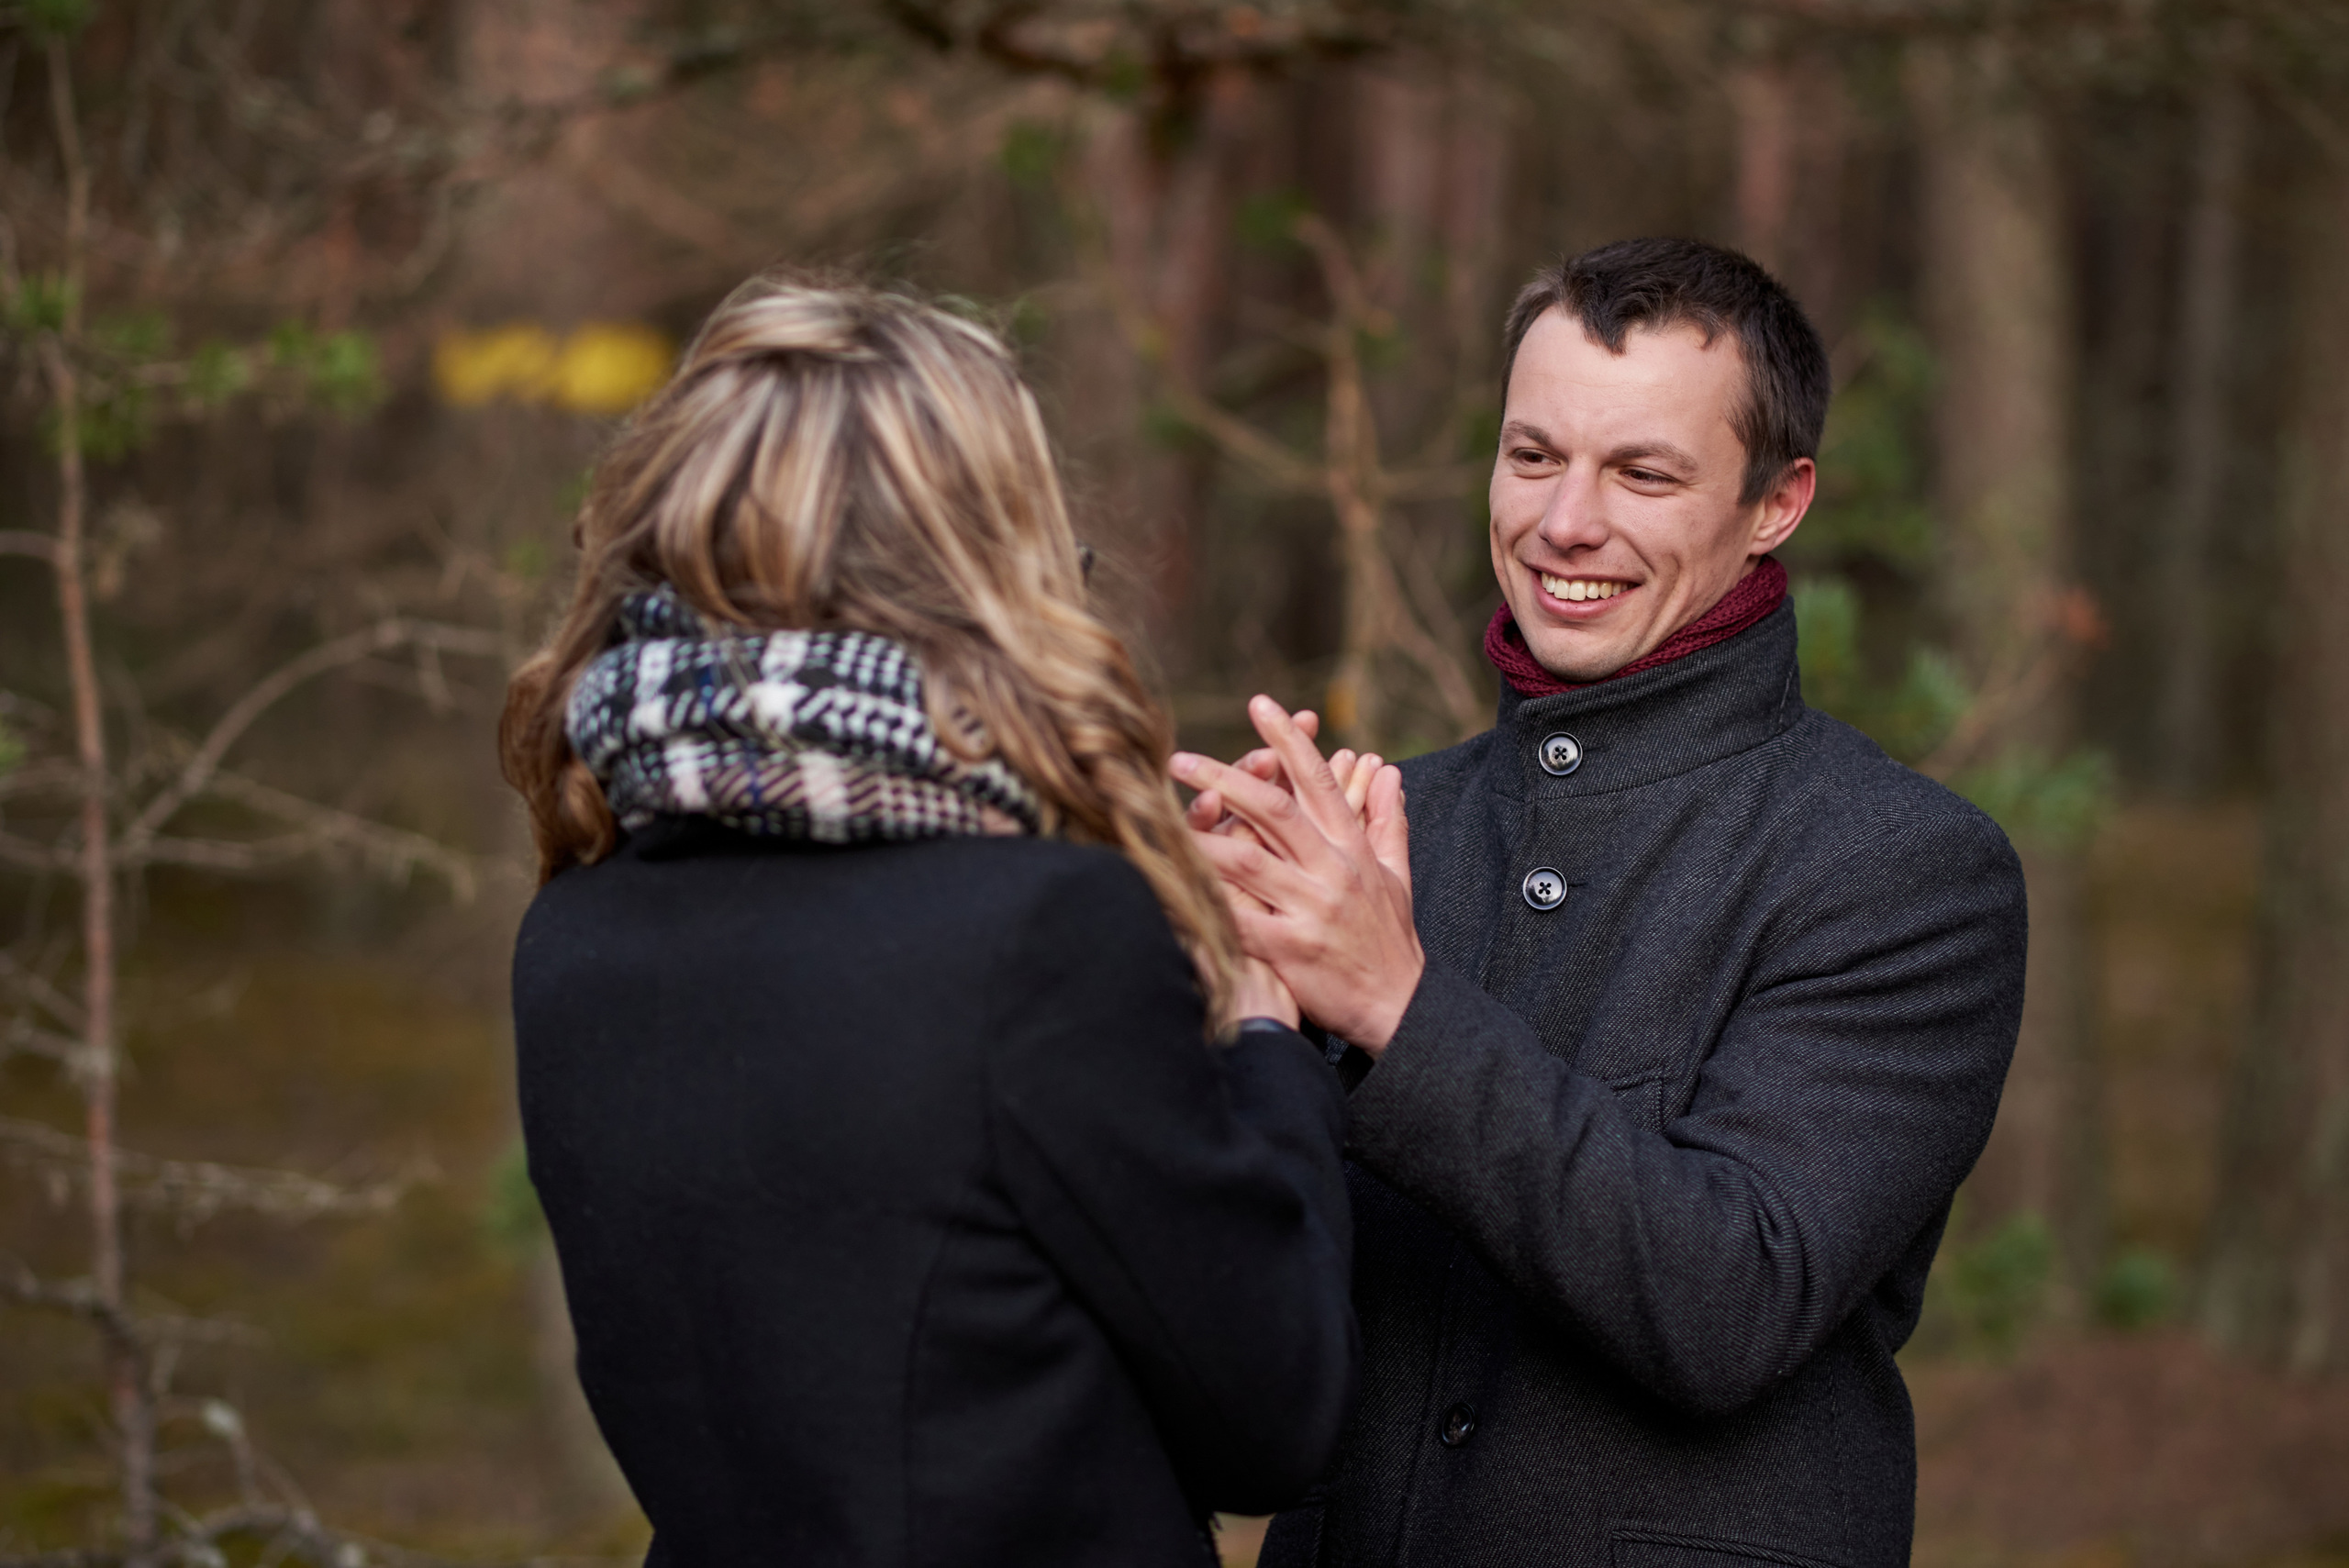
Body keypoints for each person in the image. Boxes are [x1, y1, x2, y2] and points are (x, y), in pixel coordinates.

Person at [1174, 238, 2029, 1568]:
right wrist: (1231, 1024)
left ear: (1777, 501)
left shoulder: (1907, 870)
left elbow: (1728, 1297)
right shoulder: (1387, 830)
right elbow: (1222, 1334)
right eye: (1532, 456)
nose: (1565, 522)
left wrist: (1394, 1005)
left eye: (1642, 472)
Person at [499, 277, 1356, 1568]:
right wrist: (1257, 1033)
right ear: (972, 561)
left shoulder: (577, 932)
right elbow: (1276, 1419)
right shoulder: (1036, 941)